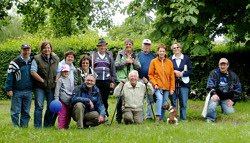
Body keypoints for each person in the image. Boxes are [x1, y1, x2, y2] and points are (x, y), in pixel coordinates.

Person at [31, 41, 60, 128]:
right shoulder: (36, 58)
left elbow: (59, 71)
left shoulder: (56, 59)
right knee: (39, 107)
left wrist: (56, 80)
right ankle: (37, 126)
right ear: (42, 49)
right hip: (40, 87)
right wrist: (42, 81)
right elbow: (33, 72)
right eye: (45, 48)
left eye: (48, 48)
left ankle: (47, 125)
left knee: (51, 107)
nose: (47, 49)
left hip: (51, 87)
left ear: (51, 49)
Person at [5, 44, 33, 127]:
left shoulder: (33, 61)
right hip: (17, 91)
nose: (26, 52)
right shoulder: (14, 62)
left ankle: (24, 127)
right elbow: (9, 77)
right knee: (15, 111)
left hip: (28, 91)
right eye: (24, 50)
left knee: (26, 111)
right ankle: (16, 127)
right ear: (21, 51)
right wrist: (9, 89)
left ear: (30, 51)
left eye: (28, 50)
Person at [205, 58, 241, 122]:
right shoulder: (214, 73)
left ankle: (223, 109)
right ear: (219, 65)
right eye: (221, 65)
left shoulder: (233, 76)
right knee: (212, 104)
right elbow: (210, 85)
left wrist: (233, 100)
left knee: (230, 112)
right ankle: (209, 119)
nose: (222, 66)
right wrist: (214, 94)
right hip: (216, 97)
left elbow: (238, 89)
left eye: (224, 65)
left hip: (226, 99)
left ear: (228, 65)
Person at [115, 38, 141, 124]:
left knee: (130, 99)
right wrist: (125, 62)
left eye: (130, 44)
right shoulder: (120, 54)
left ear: (132, 46)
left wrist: (133, 62)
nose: (128, 46)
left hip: (131, 79)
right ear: (124, 45)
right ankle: (118, 119)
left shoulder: (134, 55)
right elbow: (116, 65)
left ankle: (129, 116)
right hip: (122, 79)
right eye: (126, 44)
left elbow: (138, 67)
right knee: (120, 99)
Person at [89, 38, 117, 118]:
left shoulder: (109, 56)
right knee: (96, 98)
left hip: (106, 81)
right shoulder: (93, 56)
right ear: (98, 47)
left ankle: (105, 115)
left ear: (106, 46)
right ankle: (95, 115)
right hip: (96, 81)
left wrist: (113, 81)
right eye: (101, 46)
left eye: (104, 46)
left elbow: (113, 69)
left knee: (105, 99)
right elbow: (90, 69)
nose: (102, 47)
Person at [148, 43, 175, 125]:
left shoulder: (169, 62)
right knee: (159, 99)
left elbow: (172, 76)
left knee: (164, 103)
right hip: (157, 86)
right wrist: (155, 83)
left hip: (167, 86)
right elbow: (150, 74)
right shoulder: (153, 62)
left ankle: (162, 119)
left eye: (163, 51)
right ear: (158, 52)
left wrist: (172, 88)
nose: (162, 53)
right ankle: (157, 117)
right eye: (160, 51)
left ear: (165, 52)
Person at [169, 42, 193, 121]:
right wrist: (174, 72)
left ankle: (183, 119)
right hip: (173, 83)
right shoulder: (170, 59)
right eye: (174, 48)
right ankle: (174, 118)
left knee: (183, 102)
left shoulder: (186, 58)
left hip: (184, 83)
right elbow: (167, 71)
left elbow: (190, 70)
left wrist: (182, 74)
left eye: (177, 47)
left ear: (180, 48)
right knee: (173, 102)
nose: (176, 49)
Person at [137, 39, 156, 120]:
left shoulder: (153, 56)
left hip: (150, 80)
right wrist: (137, 76)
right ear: (142, 46)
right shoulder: (138, 55)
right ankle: (141, 116)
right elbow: (134, 66)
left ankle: (149, 116)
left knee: (150, 98)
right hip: (140, 79)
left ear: (150, 46)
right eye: (145, 45)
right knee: (140, 98)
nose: (146, 47)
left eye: (148, 45)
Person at [54, 64, 74, 129]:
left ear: (69, 72)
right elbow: (57, 90)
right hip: (61, 100)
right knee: (62, 114)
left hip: (69, 100)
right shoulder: (60, 80)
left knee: (68, 114)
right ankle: (61, 127)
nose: (65, 72)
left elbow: (73, 90)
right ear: (62, 72)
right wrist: (56, 99)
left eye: (67, 71)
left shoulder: (71, 81)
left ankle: (66, 126)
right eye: (64, 71)